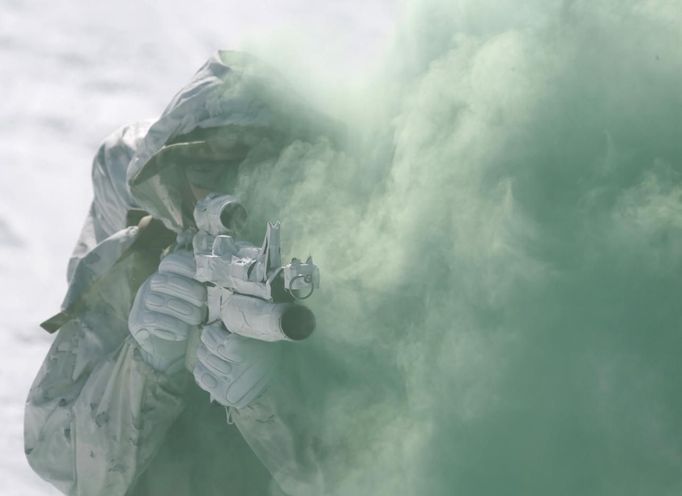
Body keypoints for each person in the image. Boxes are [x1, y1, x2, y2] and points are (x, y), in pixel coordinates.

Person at [24, 50, 335, 496]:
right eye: (206, 168)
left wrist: (270, 404)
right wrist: (144, 366)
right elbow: (54, 454)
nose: (230, 188)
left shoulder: (352, 274)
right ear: (174, 173)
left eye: (251, 165)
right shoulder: (140, 256)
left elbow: (409, 469)